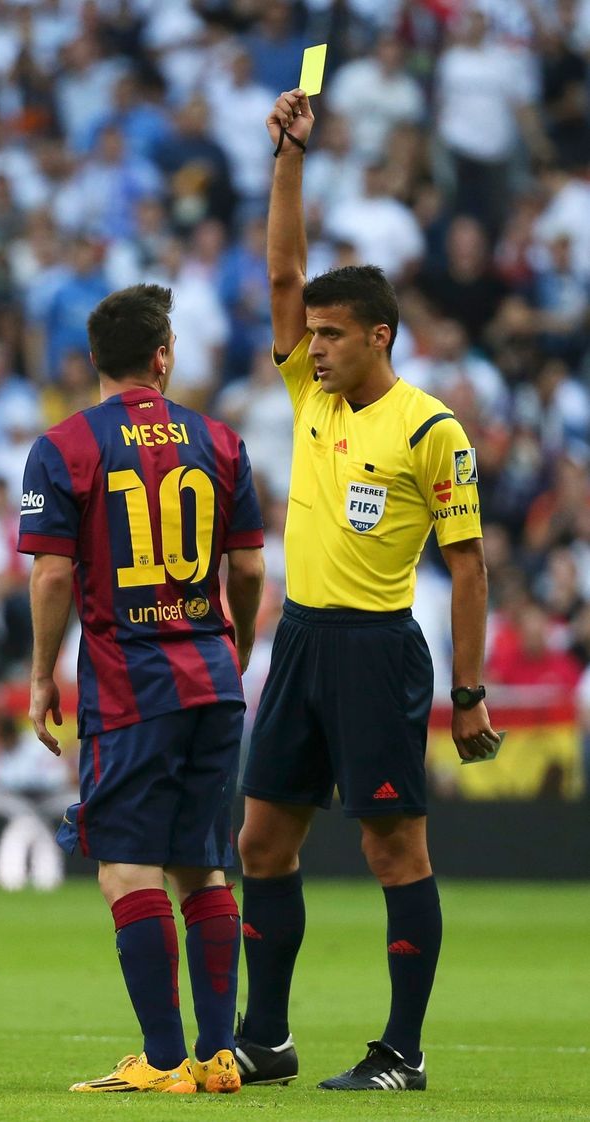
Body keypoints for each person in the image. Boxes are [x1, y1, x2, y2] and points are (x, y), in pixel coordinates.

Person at [234, 89, 498, 1093]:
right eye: (308, 335)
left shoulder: (430, 431)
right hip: (299, 641)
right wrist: (287, 159)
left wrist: (467, 692)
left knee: (393, 847)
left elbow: (468, 566)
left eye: (331, 336)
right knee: (260, 838)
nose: (312, 347)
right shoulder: (309, 387)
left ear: (378, 337)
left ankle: (403, 1050)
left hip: (377, 651)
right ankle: (267, 1036)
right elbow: (282, 271)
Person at [17, 284, 265, 1095]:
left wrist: (39, 677)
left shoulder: (64, 446)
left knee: (127, 868)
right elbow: (252, 565)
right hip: (212, 681)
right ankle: (219, 1053)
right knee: (204, 865)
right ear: (164, 355)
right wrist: (236, 646)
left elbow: (54, 571)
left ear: (96, 360)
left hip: (130, 687)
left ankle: (163, 1062)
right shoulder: (221, 440)